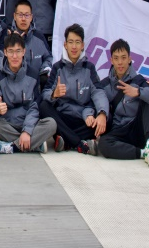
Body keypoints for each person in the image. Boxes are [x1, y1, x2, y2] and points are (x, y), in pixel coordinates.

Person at [95, 39, 149, 167]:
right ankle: (145, 153)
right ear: (111, 60)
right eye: (116, 58)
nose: (120, 62)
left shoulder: (139, 81)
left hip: (138, 130)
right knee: (103, 145)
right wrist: (102, 113)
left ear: (129, 59)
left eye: (123, 58)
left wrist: (138, 92)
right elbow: (97, 98)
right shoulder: (105, 84)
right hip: (119, 130)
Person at [43, 24, 108, 154]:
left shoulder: (89, 68)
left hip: (83, 119)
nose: (74, 46)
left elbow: (98, 92)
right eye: (71, 42)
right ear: (65, 45)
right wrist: (54, 94)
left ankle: (66, 141)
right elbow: (45, 93)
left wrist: (102, 114)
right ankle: (79, 144)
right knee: (43, 106)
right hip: (63, 119)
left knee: (107, 118)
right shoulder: (57, 67)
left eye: (77, 42)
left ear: (82, 45)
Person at [0, 33, 55, 154]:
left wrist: (27, 131)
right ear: (5, 52)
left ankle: (12, 147)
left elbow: (34, 106)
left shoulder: (33, 73)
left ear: (24, 51)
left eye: (18, 51)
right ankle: (33, 144)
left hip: (29, 122)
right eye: (11, 51)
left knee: (51, 124)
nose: (15, 56)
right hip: (8, 124)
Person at [7, 0, 51, 86]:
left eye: (27, 15)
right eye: (20, 15)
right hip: (13, 85)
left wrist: (43, 71)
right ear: (14, 16)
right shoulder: (7, 36)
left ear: (31, 17)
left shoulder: (39, 37)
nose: (23, 19)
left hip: (36, 85)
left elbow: (48, 57)